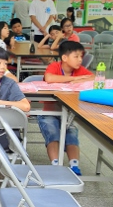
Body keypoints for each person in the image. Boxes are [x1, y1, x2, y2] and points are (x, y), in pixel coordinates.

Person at [40, 41, 95, 175]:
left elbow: (93, 78)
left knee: (71, 135)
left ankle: (74, 165)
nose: (80, 60)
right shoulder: (54, 66)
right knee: (52, 133)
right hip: (49, 109)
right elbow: (49, 78)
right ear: (64, 58)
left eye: (81, 56)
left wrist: (80, 78)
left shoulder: (79, 70)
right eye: (76, 56)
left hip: (70, 112)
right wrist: (73, 80)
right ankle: (55, 165)